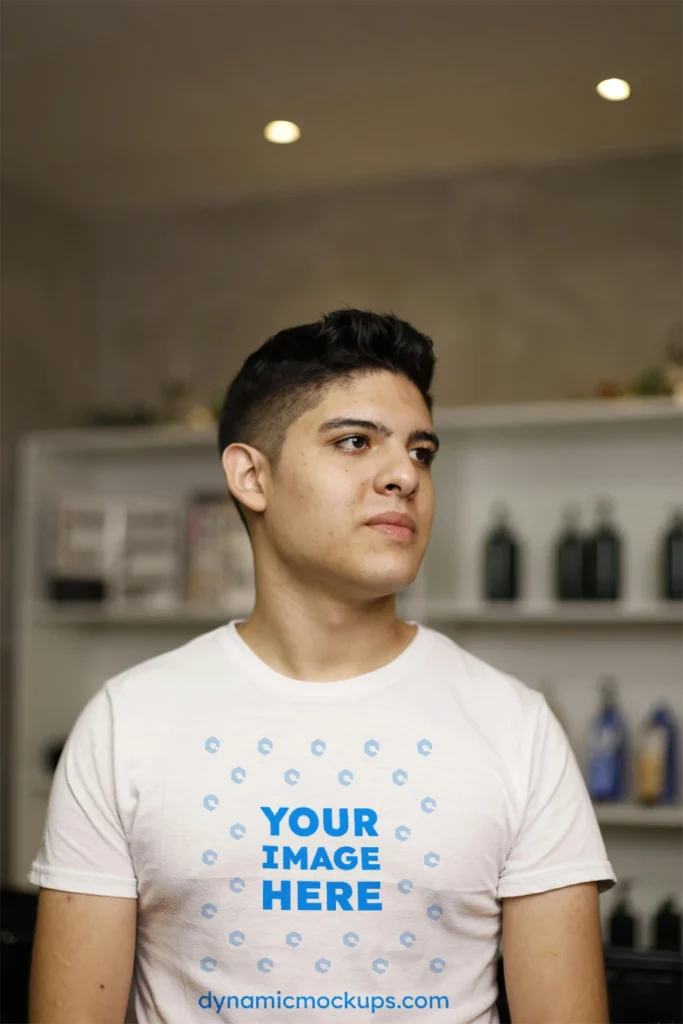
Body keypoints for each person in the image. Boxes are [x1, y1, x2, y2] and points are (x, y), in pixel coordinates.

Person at [27, 309, 615, 1024]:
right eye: (355, 441)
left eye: (422, 452)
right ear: (251, 475)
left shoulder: (514, 725)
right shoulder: (128, 721)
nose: (403, 474)